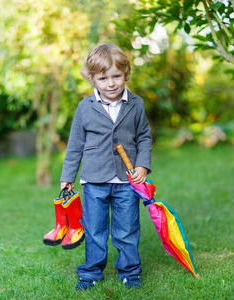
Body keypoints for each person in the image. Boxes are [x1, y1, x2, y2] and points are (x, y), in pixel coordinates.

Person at [60, 43, 153, 290]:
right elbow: (75, 144)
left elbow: (144, 136)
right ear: (93, 79)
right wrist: (67, 176)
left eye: (116, 76)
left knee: (127, 229)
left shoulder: (135, 103)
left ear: (126, 75)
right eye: (103, 78)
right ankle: (91, 273)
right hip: (94, 179)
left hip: (127, 180)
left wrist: (143, 164)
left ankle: (130, 272)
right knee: (95, 230)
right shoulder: (85, 107)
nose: (110, 83)